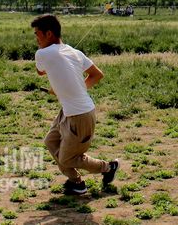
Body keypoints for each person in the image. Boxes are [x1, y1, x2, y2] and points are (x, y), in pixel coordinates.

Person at [32, 14, 118, 196]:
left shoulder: (42, 53)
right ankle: (77, 183)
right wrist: (73, 89)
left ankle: (108, 168)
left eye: (37, 34)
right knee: (51, 141)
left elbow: (40, 72)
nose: (36, 39)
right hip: (69, 111)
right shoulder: (74, 51)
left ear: (48, 34)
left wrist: (72, 89)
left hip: (80, 115)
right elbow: (97, 75)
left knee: (67, 158)